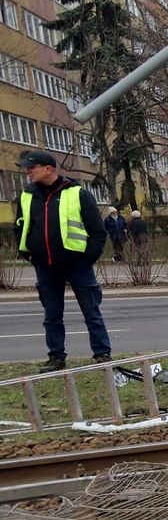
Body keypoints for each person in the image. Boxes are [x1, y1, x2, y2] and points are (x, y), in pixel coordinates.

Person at [15, 149, 111, 372]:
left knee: (91, 311)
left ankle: (102, 353)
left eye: (32, 168)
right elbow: (20, 225)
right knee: (52, 315)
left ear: (48, 169)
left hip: (77, 264)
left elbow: (98, 231)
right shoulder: (27, 195)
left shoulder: (78, 193)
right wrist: (28, 252)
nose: (28, 172)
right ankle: (56, 357)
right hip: (45, 265)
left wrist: (88, 258)